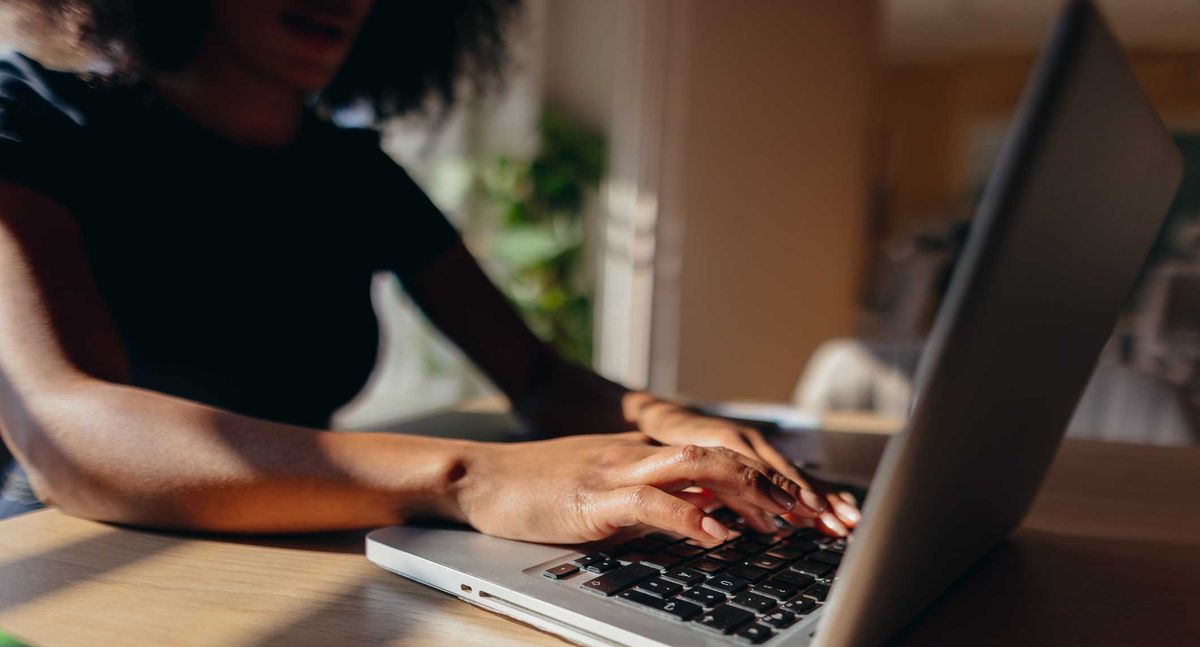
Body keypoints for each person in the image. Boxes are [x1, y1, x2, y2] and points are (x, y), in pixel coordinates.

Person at [0, 0, 859, 545]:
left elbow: (537, 374)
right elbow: (66, 433)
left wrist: (670, 423)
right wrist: (470, 476)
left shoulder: (353, 174)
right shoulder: (30, 120)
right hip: (70, 560)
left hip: (303, 548)